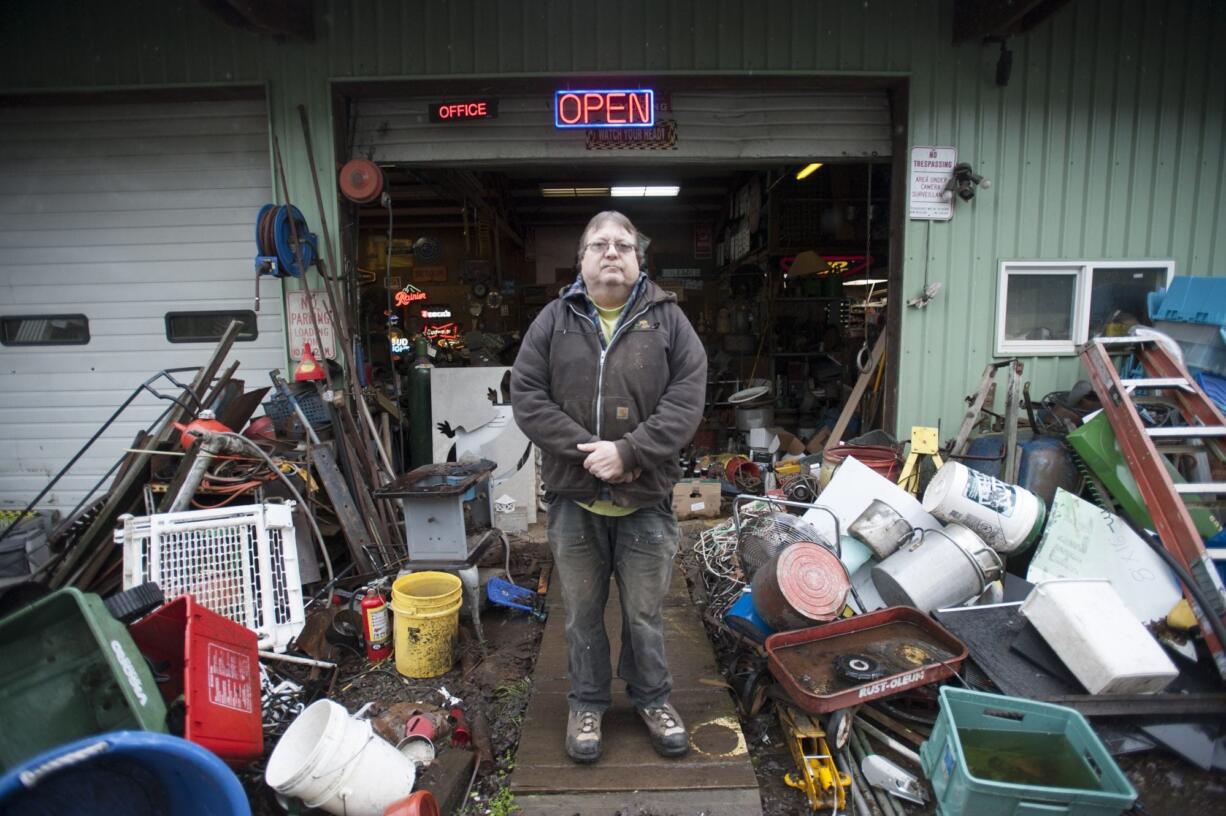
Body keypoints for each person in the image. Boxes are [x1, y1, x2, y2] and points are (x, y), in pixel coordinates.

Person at [510, 210, 708, 763]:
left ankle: (653, 699)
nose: (612, 253)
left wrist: (630, 453)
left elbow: (687, 399)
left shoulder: (669, 322)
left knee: (646, 614)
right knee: (580, 613)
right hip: (575, 500)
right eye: (600, 244)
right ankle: (588, 702)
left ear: (640, 259)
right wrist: (590, 453)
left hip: (645, 500)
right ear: (582, 259)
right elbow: (526, 394)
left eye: (623, 245)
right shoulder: (555, 319)